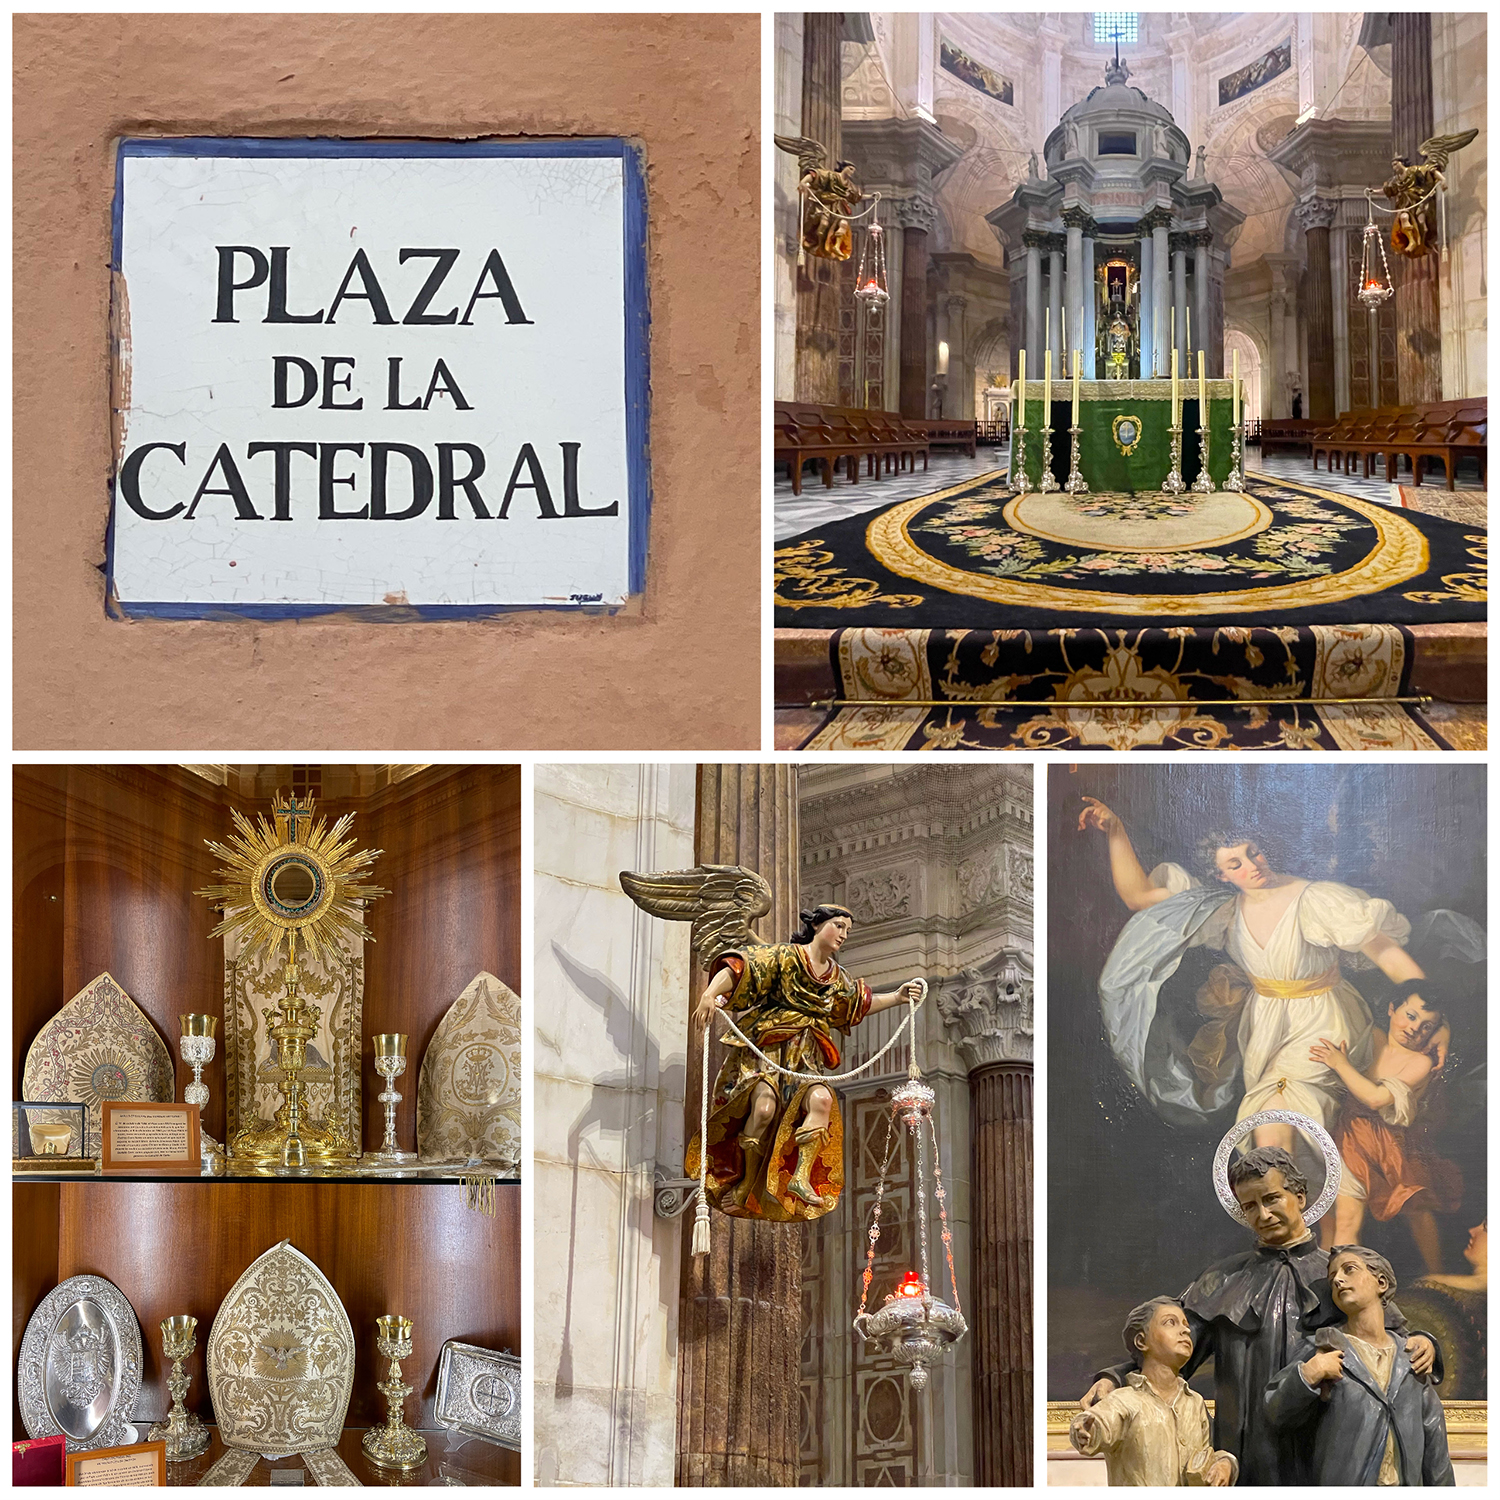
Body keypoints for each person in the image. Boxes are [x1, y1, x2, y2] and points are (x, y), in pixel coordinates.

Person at [1079, 799, 1429, 1163]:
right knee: (1269, 1106)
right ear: (1222, 876)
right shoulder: (1223, 910)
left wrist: (1432, 1012)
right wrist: (1116, 831)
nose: (1252, 865)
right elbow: (1139, 898)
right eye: (1236, 864)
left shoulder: (1314, 898)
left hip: (1324, 1021)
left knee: (1284, 1104)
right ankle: (1291, 1200)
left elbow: (1388, 955)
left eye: (1254, 853)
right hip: (1264, 1028)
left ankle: (1287, 1194)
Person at [1080, 1147, 1439, 1486]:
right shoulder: (1223, 1279)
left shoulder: (1337, 1277)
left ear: (1300, 1197)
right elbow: (1167, 1350)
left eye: (1271, 1199)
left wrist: (1425, 1343)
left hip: (1327, 1455)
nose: (1263, 1214)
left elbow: (1392, 1343)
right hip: (1245, 1455)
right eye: (1249, 1205)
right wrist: (1114, 1378)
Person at [687, 904, 922, 1221]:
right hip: (768, 1052)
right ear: (817, 925)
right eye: (838, 926)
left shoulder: (837, 978)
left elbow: (858, 1003)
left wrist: (897, 996)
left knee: (823, 1100)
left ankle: (799, 1177)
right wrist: (708, 994)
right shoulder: (786, 957)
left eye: (847, 930)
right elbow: (742, 968)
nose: (843, 935)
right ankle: (745, 1181)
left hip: (806, 1057)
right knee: (763, 1109)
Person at [1265, 1245, 1455, 1485]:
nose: (1339, 1280)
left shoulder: (1410, 1358)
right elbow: (1275, 1409)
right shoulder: (1324, 1349)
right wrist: (1309, 1373)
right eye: (1333, 1277)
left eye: (1349, 1270)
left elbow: (1435, 1446)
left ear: (1382, 1283)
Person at [1314, 991, 1460, 1270]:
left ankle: (1437, 1276)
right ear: (1392, 1008)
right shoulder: (1372, 1036)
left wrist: (1341, 1064)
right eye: (1410, 1016)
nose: (1414, 1028)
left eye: (1427, 1026)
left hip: (1390, 1146)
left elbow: (1375, 1098)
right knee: (1346, 1219)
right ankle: (1337, 1288)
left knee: (1416, 1208)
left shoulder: (1420, 1062)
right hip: (1349, 1138)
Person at [1069, 1297, 1236, 1486]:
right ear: (1141, 1341)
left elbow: (1206, 1456)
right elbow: (1097, 1427)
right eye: (1170, 1322)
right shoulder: (1124, 1400)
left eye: (1185, 1325)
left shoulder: (1195, 1403)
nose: (1185, 1330)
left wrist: (1224, 1463)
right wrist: (1085, 1430)